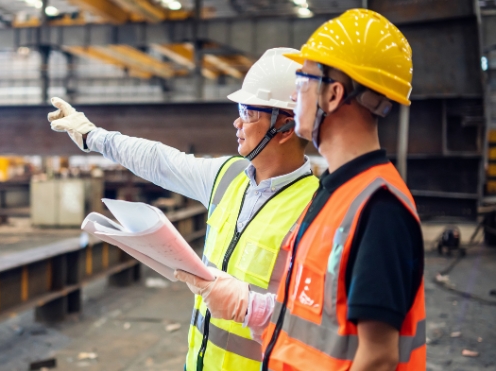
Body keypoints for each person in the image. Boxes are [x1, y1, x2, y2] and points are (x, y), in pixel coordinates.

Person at [175, 9, 426, 371]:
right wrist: (252, 306)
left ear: (334, 94)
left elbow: (379, 358)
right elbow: (318, 321)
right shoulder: (334, 193)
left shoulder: (378, 208)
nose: (295, 94)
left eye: (304, 80)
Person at [48, 48, 319, 371]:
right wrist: (92, 135)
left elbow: (317, 322)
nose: (237, 122)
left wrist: (247, 306)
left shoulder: (316, 208)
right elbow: (160, 160)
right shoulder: (227, 176)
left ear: (285, 128)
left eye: (248, 113)